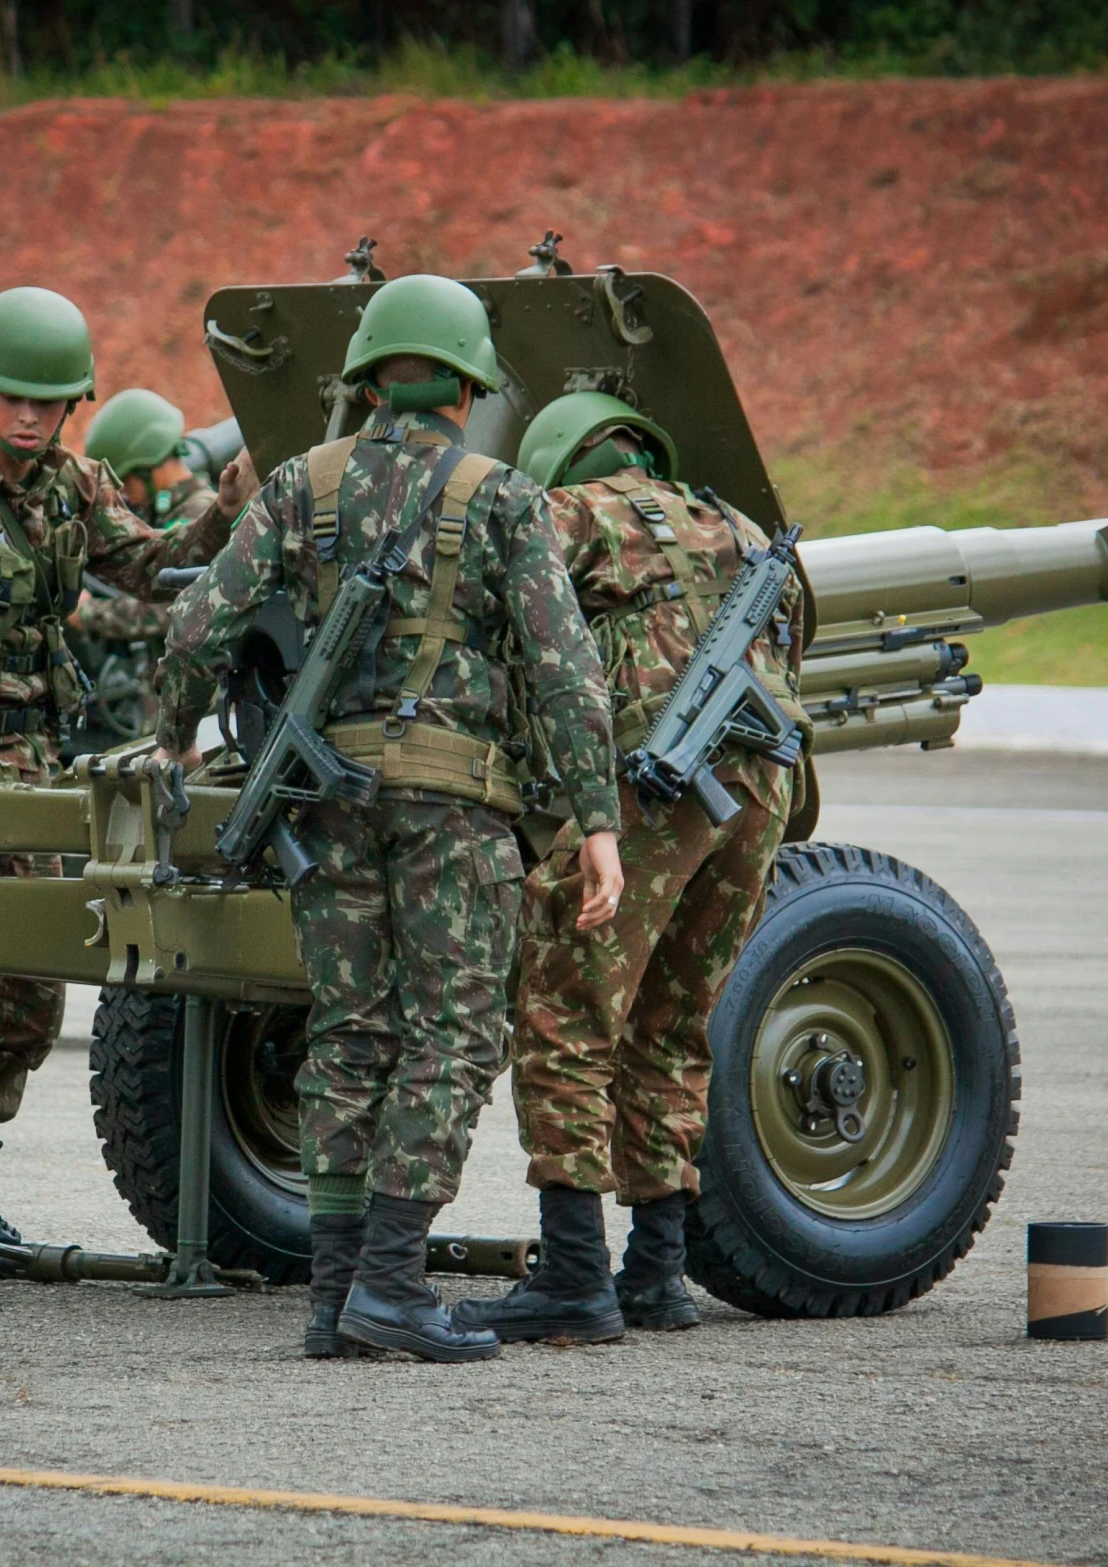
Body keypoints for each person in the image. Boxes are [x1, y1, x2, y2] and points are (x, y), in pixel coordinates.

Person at [154, 276, 626, 1363]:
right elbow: (566, 673)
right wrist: (596, 819)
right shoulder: (501, 496)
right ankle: (394, 1286)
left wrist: (174, 733)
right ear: (468, 384)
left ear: (367, 379)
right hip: (453, 811)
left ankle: (333, 1299)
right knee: (453, 1035)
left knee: (348, 1031)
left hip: (324, 804)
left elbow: (197, 623)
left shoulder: (298, 483)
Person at [0, 288, 250, 1277]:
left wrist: (226, 510)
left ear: (71, 405)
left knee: (28, 986)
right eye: (12, 396)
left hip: (29, 756)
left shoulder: (74, 484)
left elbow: (151, 569)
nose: (29, 416)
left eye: (48, 400)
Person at [450, 392, 804, 1344]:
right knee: (673, 1023)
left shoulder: (584, 510)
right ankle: (655, 1270)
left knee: (563, 1006)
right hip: (760, 792)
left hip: (659, 785)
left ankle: (571, 1273)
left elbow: (491, 571)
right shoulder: (735, 523)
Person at [64, 388, 235, 745]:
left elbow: (170, 608)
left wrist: (89, 613)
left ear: (146, 468)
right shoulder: (174, 517)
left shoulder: (196, 518)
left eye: (125, 482)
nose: (123, 495)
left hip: (200, 717)